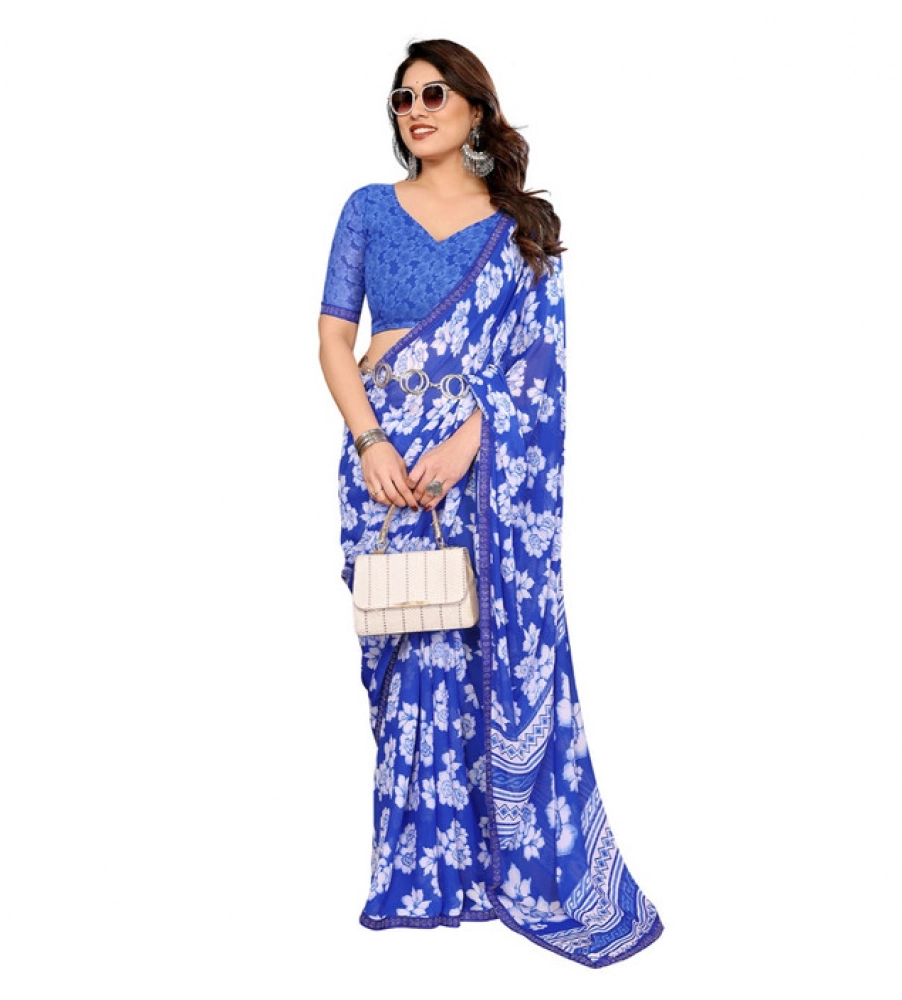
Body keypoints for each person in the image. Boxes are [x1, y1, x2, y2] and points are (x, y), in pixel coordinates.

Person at [317, 38, 663, 968]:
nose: (416, 110)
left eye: (434, 93)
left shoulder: (520, 232)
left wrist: (469, 444)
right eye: (402, 99)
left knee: (472, 636)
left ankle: (489, 865)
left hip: (474, 470)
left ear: (475, 107)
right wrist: (373, 443)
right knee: (404, 642)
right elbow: (333, 339)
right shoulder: (367, 210)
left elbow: (536, 375)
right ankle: (419, 869)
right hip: (384, 465)